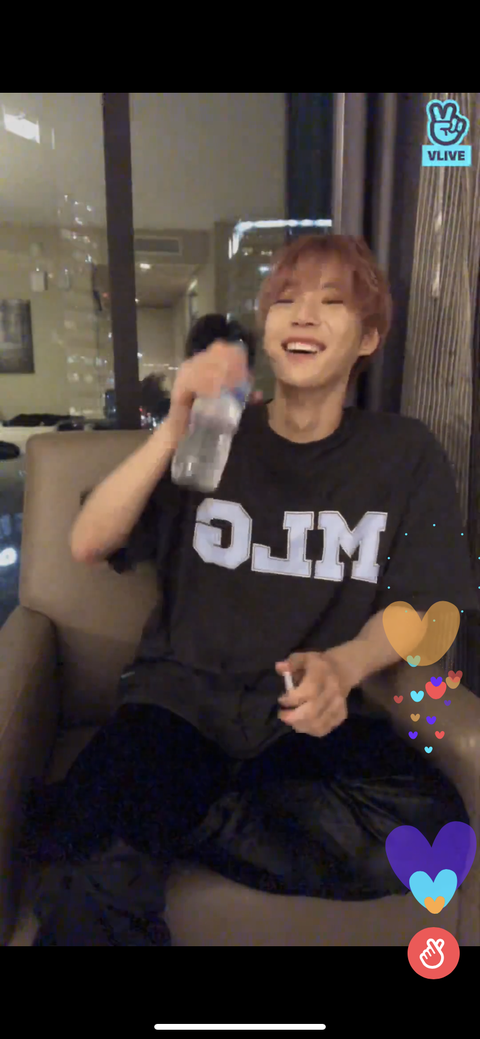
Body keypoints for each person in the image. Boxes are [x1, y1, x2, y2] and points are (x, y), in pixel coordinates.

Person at [20, 234, 477, 946]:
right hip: (178, 703)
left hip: (305, 722)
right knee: (88, 886)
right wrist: (174, 427)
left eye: (331, 302)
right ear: (266, 330)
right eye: (286, 300)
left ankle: (155, 817)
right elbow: (89, 541)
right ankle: (123, 822)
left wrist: (345, 665)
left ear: (369, 337)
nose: (304, 315)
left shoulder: (404, 453)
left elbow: (424, 606)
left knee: (432, 833)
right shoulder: (212, 439)